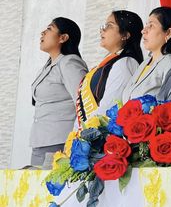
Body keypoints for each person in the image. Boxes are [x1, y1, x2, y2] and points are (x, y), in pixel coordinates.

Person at [30, 17, 88, 167]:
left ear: (63, 38)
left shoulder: (69, 62)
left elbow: (83, 102)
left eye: (49, 29)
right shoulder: (50, 65)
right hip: (42, 140)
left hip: (59, 141)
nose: (43, 32)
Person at [76, 10, 143, 125]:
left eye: (109, 26)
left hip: (99, 131)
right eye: (104, 25)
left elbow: (110, 107)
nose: (102, 30)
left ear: (125, 35)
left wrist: (84, 131)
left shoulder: (125, 63)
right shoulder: (109, 62)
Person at [122, 6, 171, 101]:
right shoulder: (145, 62)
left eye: (151, 26)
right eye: (146, 25)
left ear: (168, 33)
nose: (143, 31)